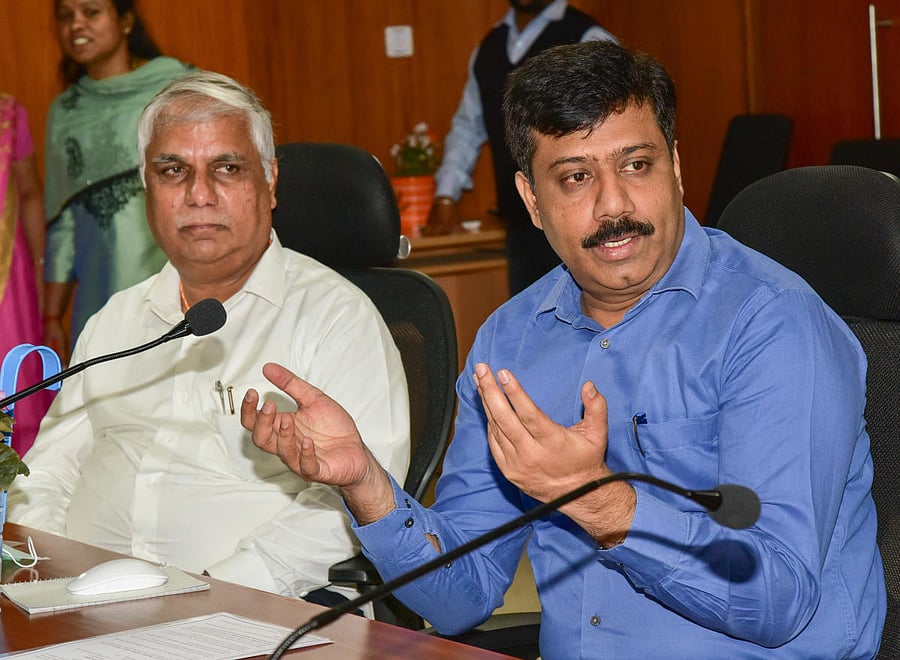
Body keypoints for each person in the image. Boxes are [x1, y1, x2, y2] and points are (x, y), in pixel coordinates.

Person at [241, 41, 886, 657]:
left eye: (638, 165)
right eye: (576, 178)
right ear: (531, 200)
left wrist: (596, 498)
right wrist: (366, 486)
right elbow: (460, 598)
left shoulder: (771, 323)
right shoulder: (511, 339)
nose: (616, 204)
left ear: (677, 167)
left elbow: (776, 597)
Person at [8, 71, 411, 608]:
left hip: (252, 610)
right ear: (147, 188)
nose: (199, 195)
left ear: (269, 181)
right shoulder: (116, 318)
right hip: (80, 607)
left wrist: (202, 596)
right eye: (173, 170)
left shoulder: (337, 317)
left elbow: (348, 504)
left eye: (227, 167)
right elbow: (48, 472)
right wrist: (45, 578)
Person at [431, 0, 616, 295]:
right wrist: (445, 195)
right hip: (520, 225)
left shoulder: (586, 37)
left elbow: (615, 132)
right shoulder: (489, 48)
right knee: (532, 329)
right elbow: (468, 127)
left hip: (579, 222)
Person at [43, 0, 192, 361]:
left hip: (175, 283)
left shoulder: (178, 88)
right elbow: (63, 220)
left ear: (125, 21)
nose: (76, 24)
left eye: (91, 12)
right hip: (97, 293)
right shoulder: (65, 111)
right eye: (65, 16)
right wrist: (51, 315)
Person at [0, 95, 54, 455]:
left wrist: (38, 274)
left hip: (9, 283)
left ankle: (15, 508)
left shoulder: (8, 116)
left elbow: (31, 194)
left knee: (16, 390)